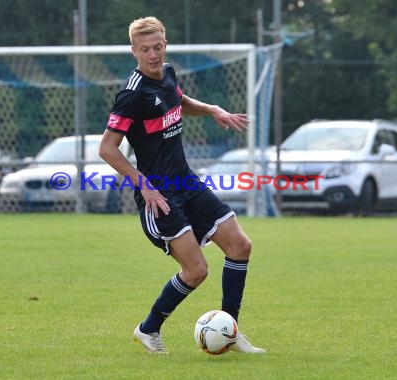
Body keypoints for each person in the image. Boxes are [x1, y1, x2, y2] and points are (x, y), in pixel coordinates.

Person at [99, 16, 265, 354]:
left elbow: (179, 101)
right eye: (145, 49)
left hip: (186, 182)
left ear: (165, 44)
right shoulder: (131, 95)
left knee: (240, 245)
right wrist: (143, 185)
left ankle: (229, 331)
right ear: (134, 51)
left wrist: (213, 109)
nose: (153, 54)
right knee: (196, 270)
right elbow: (106, 148)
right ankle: (148, 329)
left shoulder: (168, 73)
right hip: (158, 194)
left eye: (158, 47)